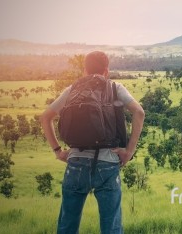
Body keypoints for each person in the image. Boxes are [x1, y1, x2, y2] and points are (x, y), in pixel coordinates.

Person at [40, 51, 145, 234]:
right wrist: (129, 151)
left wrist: (58, 151)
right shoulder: (114, 87)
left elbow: (45, 117)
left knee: (67, 225)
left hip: (76, 163)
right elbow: (139, 112)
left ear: (84, 70)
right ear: (106, 70)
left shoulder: (72, 90)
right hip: (108, 162)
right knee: (111, 225)